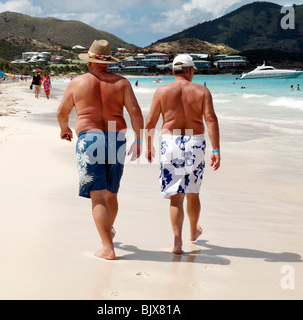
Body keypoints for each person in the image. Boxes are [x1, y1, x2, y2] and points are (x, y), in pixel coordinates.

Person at [57, 40, 144, 260]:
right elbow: (135, 112)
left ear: (89, 62)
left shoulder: (77, 82)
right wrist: (141, 140)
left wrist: (64, 129)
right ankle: (109, 230)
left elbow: (62, 111)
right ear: (107, 62)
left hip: (90, 137)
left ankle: (107, 247)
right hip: (116, 136)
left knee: (98, 197)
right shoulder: (122, 83)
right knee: (111, 193)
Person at [145, 54, 221, 254]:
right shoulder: (202, 91)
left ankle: (177, 243)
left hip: (170, 142)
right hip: (195, 142)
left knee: (175, 196)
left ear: (173, 71)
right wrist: (216, 149)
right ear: (190, 71)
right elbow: (211, 120)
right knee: (193, 192)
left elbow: (150, 122)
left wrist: (149, 146)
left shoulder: (162, 91)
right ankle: (193, 232)